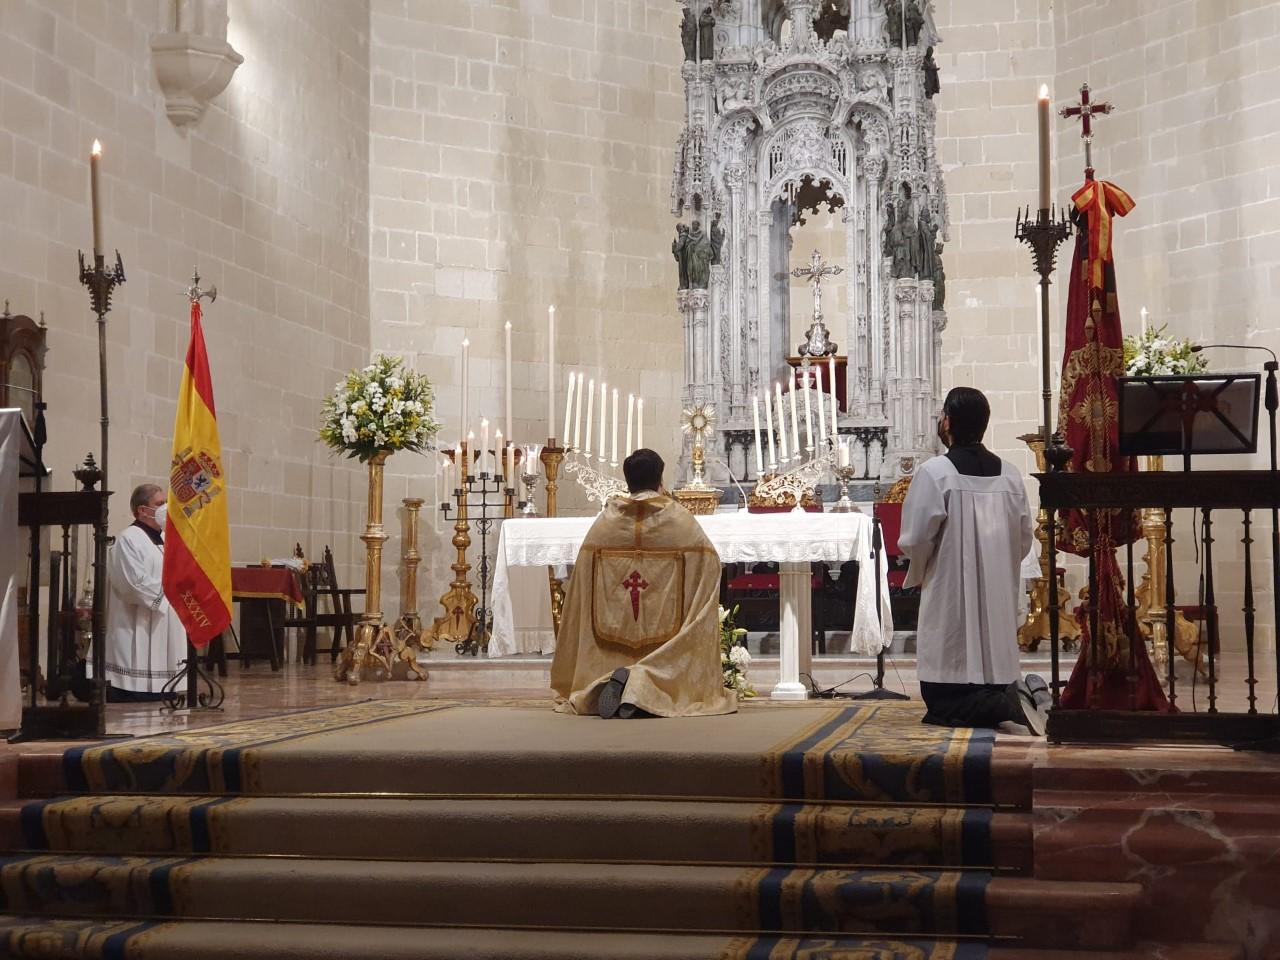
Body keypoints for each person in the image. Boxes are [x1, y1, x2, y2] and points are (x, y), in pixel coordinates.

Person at [897, 388, 1049, 734]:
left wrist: (922, 567)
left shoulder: (935, 473)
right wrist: (996, 563)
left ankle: (994, 704)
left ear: (948, 422)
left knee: (946, 696)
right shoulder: (1009, 475)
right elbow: (1023, 538)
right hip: (997, 591)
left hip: (949, 588)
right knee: (996, 665)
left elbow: (916, 538)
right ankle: (1009, 697)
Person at [550, 449, 736, 719]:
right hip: (665, 636)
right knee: (667, 670)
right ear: (660, 479)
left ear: (628, 481)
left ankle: (612, 682)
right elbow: (709, 565)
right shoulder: (679, 520)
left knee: (612, 662)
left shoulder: (606, 523)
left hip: (613, 633)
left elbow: (582, 582)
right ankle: (644, 686)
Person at [102, 483, 186, 701]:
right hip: (137, 619)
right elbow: (134, 583)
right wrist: (169, 590)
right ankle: (134, 689)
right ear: (142, 510)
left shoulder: (168, 539)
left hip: (167, 615)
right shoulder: (129, 539)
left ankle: (164, 685)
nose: (166, 507)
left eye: (166, 503)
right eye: (159, 504)